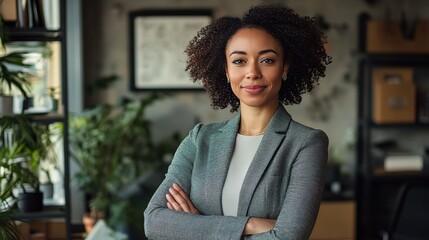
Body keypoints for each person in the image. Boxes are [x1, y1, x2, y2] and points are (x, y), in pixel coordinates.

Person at [144, 4, 331, 240]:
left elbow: (288, 237)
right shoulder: (200, 139)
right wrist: (250, 225)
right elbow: (154, 222)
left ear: (285, 67)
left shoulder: (306, 143)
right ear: (226, 70)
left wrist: (196, 227)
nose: (252, 72)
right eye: (239, 61)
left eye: (267, 60)